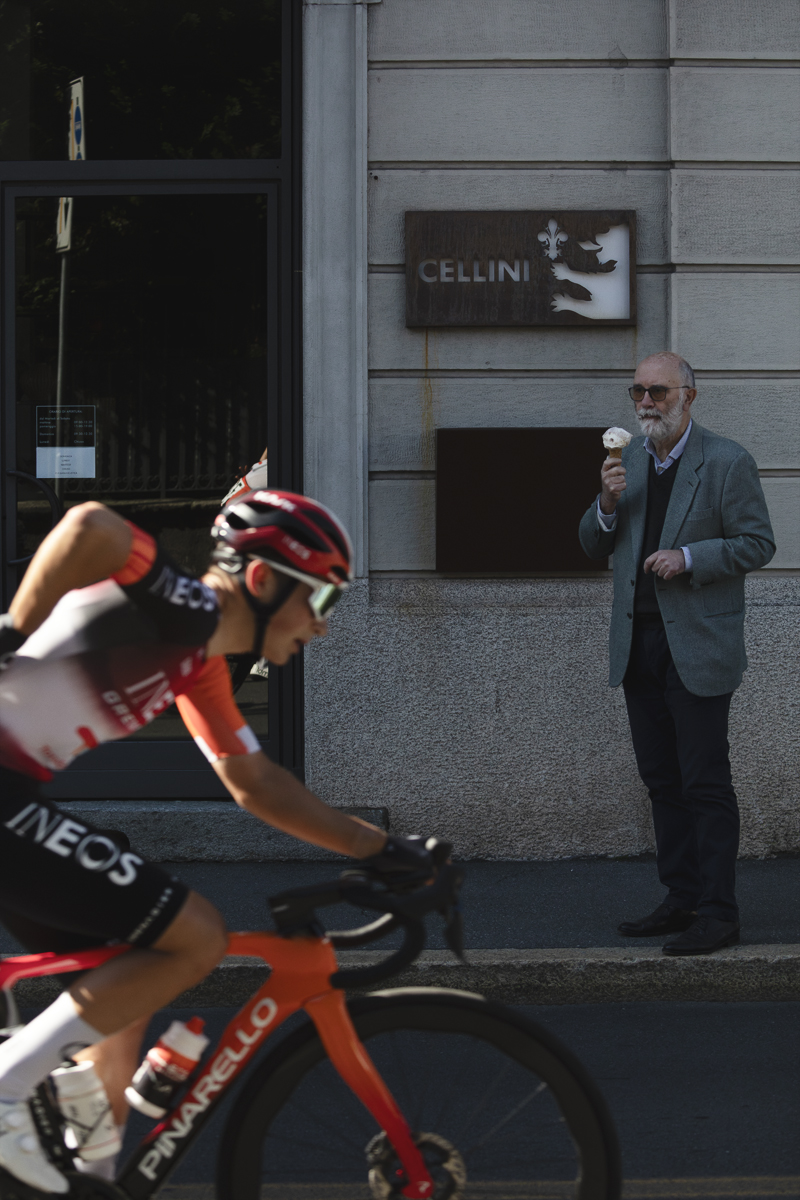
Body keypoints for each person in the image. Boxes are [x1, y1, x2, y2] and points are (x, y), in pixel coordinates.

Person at [0, 490, 434, 1192]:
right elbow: (90, 526)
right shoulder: (187, 610)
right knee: (195, 936)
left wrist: (379, 848)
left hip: (12, 797)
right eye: (321, 602)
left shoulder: (197, 660)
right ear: (262, 581)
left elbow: (256, 784)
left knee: (130, 979)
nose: (322, 629)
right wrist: (13, 633)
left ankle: (90, 1176)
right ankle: (7, 1087)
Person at [578, 352, 775, 955]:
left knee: (704, 782)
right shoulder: (627, 460)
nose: (646, 402)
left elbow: (757, 543)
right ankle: (681, 897)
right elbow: (590, 545)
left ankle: (719, 913)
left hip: (696, 642)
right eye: (637, 390)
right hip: (637, 645)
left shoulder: (726, 460)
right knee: (662, 780)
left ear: (690, 395)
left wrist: (689, 558)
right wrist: (606, 505)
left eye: (659, 391)